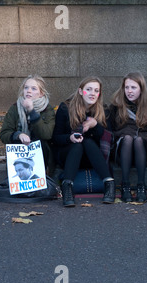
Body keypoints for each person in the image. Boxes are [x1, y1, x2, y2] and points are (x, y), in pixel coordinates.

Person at [52, 76, 115, 207]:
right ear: (81, 91)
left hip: (92, 157)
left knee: (86, 142)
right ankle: (67, 188)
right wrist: (70, 138)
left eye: (96, 90)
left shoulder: (103, 109)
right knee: (78, 144)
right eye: (89, 89)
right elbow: (56, 138)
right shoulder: (65, 108)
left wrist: (95, 125)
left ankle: (109, 183)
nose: (92, 93)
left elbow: (107, 137)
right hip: (68, 154)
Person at [107, 72, 147, 203]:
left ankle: (141, 186)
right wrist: (128, 132)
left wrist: (143, 135)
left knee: (138, 139)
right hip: (122, 152)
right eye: (126, 87)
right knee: (128, 138)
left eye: (133, 87)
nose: (129, 91)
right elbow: (110, 132)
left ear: (141, 89)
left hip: (145, 153)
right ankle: (125, 185)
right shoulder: (116, 106)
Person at [0, 75, 55, 175]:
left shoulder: (48, 109)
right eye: (26, 87)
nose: (28, 91)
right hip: (20, 151)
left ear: (41, 93)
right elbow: (4, 134)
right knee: (17, 142)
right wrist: (18, 135)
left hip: (41, 152)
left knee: (42, 143)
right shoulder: (15, 108)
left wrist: (31, 111)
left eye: (33, 88)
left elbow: (46, 134)